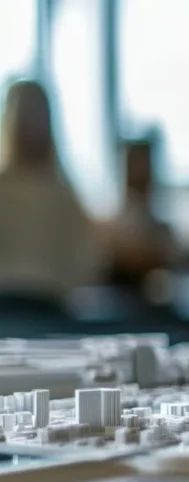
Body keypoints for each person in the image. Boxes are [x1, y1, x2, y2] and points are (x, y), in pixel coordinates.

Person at [0, 80, 101, 318]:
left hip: (51, 309)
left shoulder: (63, 195)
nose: (31, 126)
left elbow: (87, 261)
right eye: (24, 115)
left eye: (37, 116)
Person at [104, 136, 179, 288]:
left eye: (147, 163)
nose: (143, 170)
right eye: (137, 163)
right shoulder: (115, 223)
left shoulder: (156, 221)